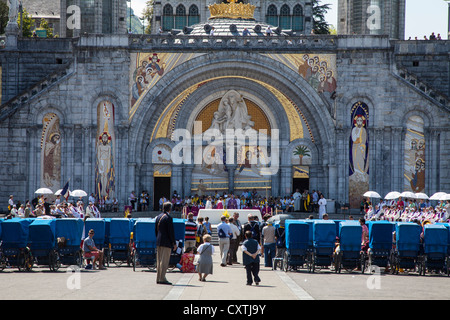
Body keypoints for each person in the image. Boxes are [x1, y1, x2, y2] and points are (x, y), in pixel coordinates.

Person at [155, 202, 177, 285]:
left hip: (159, 241)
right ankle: (163, 278)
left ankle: (158, 277)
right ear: (170, 209)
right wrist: (174, 243)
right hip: (166, 242)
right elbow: (171, 232)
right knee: (164, 261)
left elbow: (156, 230)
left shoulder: (159, 217)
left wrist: (158, 238)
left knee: (159, 260)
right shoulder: (168, 218)